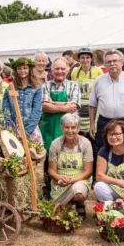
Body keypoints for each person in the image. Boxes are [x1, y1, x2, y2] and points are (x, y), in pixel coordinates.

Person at [89, 49, 124, 181]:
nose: (112, 64)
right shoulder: (99, 81)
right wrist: (91, 124)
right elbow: (92, 104)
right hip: (104, 122)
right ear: (105, 64)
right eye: (109, 62)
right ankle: (101, 180)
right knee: (102, 150)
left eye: (115, 61)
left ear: (122, 62)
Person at [41, 58, 80, 198]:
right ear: (52, 71)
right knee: (48, 157)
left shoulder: (74, 85)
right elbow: (44, 106)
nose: (60, 71)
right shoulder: (45, 86)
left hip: (67, 128)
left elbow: (73, 107)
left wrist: (53, 104)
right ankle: (48, 190)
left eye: (63, 69)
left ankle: (68, 189)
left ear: (68, 70)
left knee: (65, 157)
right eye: (57, 68)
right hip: (49, 128)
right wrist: (64, 105)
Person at [48, 114, 93, 218]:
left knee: (78, 192)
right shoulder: (55, 144)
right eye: (66, 127)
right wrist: (59, 178)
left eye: (73, 127)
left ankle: (79, 202)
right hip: (60, 182)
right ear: (62, 128)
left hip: (79, 180)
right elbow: (51, 170)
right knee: (60, 213)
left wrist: (70, 181)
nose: (70, 130)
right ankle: (71, 204)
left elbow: (88, 171)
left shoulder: (86, 144)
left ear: (78, 129)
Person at [3, 57, 42, 140]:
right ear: (15, 71)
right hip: (14, 129)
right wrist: (10, 128)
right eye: (19, 68)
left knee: (34, 152)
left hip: (31, 129)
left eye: (25, 68)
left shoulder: (36, 88)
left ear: (29, 69)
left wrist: (26, 132)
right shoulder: (10, 88)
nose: (22, 71)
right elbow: (6, 110)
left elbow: (37, 111)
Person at [70, 48, 103, 135]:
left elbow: (101, 92)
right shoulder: (75, 71)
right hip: (79, 109)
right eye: (82, 57)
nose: (85, 60)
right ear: (79, 59)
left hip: (93, 109)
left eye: (87, 57)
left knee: (93, 135)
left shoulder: (98, 71)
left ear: (91, 59)